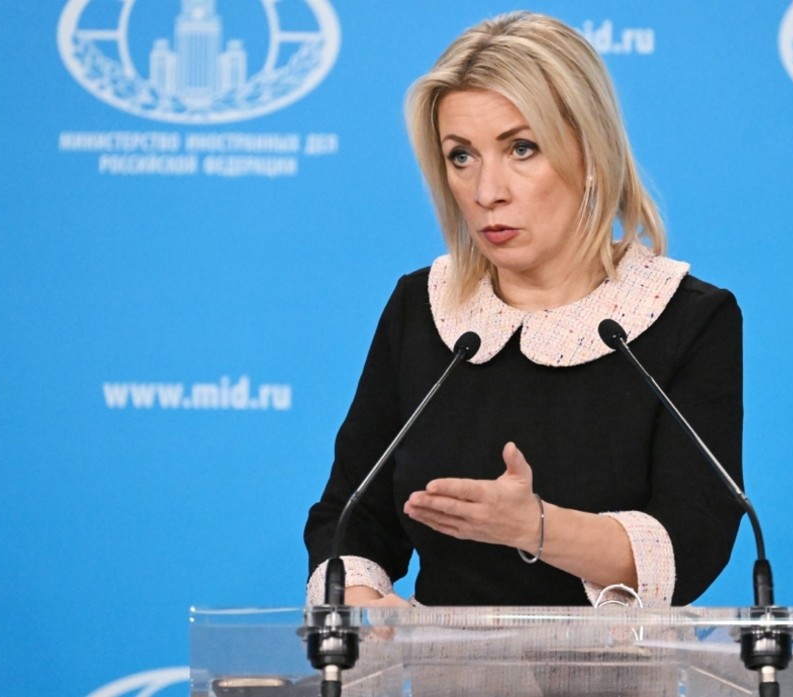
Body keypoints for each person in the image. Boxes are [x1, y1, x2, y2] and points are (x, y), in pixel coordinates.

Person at [304, 11, 744, 608]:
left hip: (613, 663)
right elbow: (351, 516)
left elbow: (692, 545)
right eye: (462, 156)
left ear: (591, 154)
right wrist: (361, 603)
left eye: (521, 148)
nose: (487, 192)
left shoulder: (682, 317)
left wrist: (534, 527)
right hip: (439, 661)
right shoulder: (424, 307)